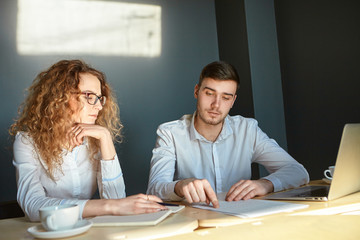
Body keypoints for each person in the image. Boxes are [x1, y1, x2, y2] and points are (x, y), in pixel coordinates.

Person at [10, 60, 166, 222]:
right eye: (90, 96)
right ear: (59, 97)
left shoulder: (96, 138)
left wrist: (105, 138)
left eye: (100, 98)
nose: (99, 106)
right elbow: (33, 207)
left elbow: (116, 198)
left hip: (88, 230)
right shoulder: (27, 142)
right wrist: (108, 207)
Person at [147, 61, 309, 208]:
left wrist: (266, 184)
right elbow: (154, 189)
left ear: (233, 101)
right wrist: (180, 186)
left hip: (241, 221)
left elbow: (298, 171)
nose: (216, 105)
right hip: (194, 222)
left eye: (225, 97)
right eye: (209, 93)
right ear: (197, 91)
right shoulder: (170, 133)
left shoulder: (247, 129)